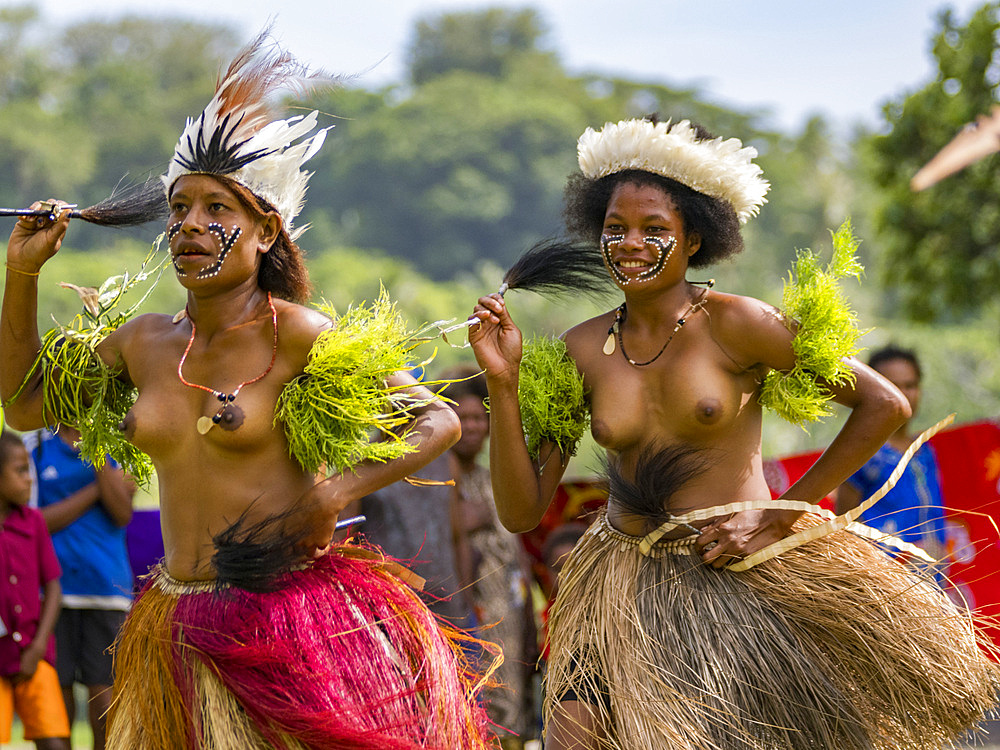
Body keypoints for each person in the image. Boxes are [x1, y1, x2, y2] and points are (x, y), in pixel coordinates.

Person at [1, 32, 493, 749]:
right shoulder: (143, 344)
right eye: (180, 209)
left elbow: (438, 422)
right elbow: (23, 405)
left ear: (266, 231)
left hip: (284, 619)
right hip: (175, 620)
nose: (190, 226)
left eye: (217, 210)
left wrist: (329, 496)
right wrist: (23, 278)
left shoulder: (299, 335)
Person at [469, 116, 999, 749]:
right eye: (615, 228)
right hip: (620, 589)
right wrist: (502, 383)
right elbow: (522, 510)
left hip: (732, 578)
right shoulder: (580, 349)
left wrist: (783, 514)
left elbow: (881, 403)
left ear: (695, 238)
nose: (630, 243)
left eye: (653, 229)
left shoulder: (737, 324)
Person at [441, 365, 538, 749]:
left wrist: (529, 620)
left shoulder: (497, 481)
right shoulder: (434, 481)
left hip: (510, 621)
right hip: (466, 618)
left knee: (512, 713)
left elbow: (519, 556)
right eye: (463, 418)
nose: (474, 427)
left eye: (480, 418)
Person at [24, 425, 134, 750]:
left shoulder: (117, 440)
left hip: (107, 590)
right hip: (52, 594)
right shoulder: (36, 445)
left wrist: (98, 452)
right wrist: (93, 492)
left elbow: (122, 513)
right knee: (57, 706)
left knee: (105, 706)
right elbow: (33, 523)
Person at [835, 346, 948, 561]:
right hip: (884, 581)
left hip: (932, 581)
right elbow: (845, 524)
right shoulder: (861, 452)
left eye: (911, 385)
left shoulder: (925, 450)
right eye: (894, 385)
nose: (904, 394)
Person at [0, 431, 71, 750]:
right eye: (20, 471)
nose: (30, 480)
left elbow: (53, 587)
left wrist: (39, 644)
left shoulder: (34, 523)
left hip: (33, 654)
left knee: (54, 740)